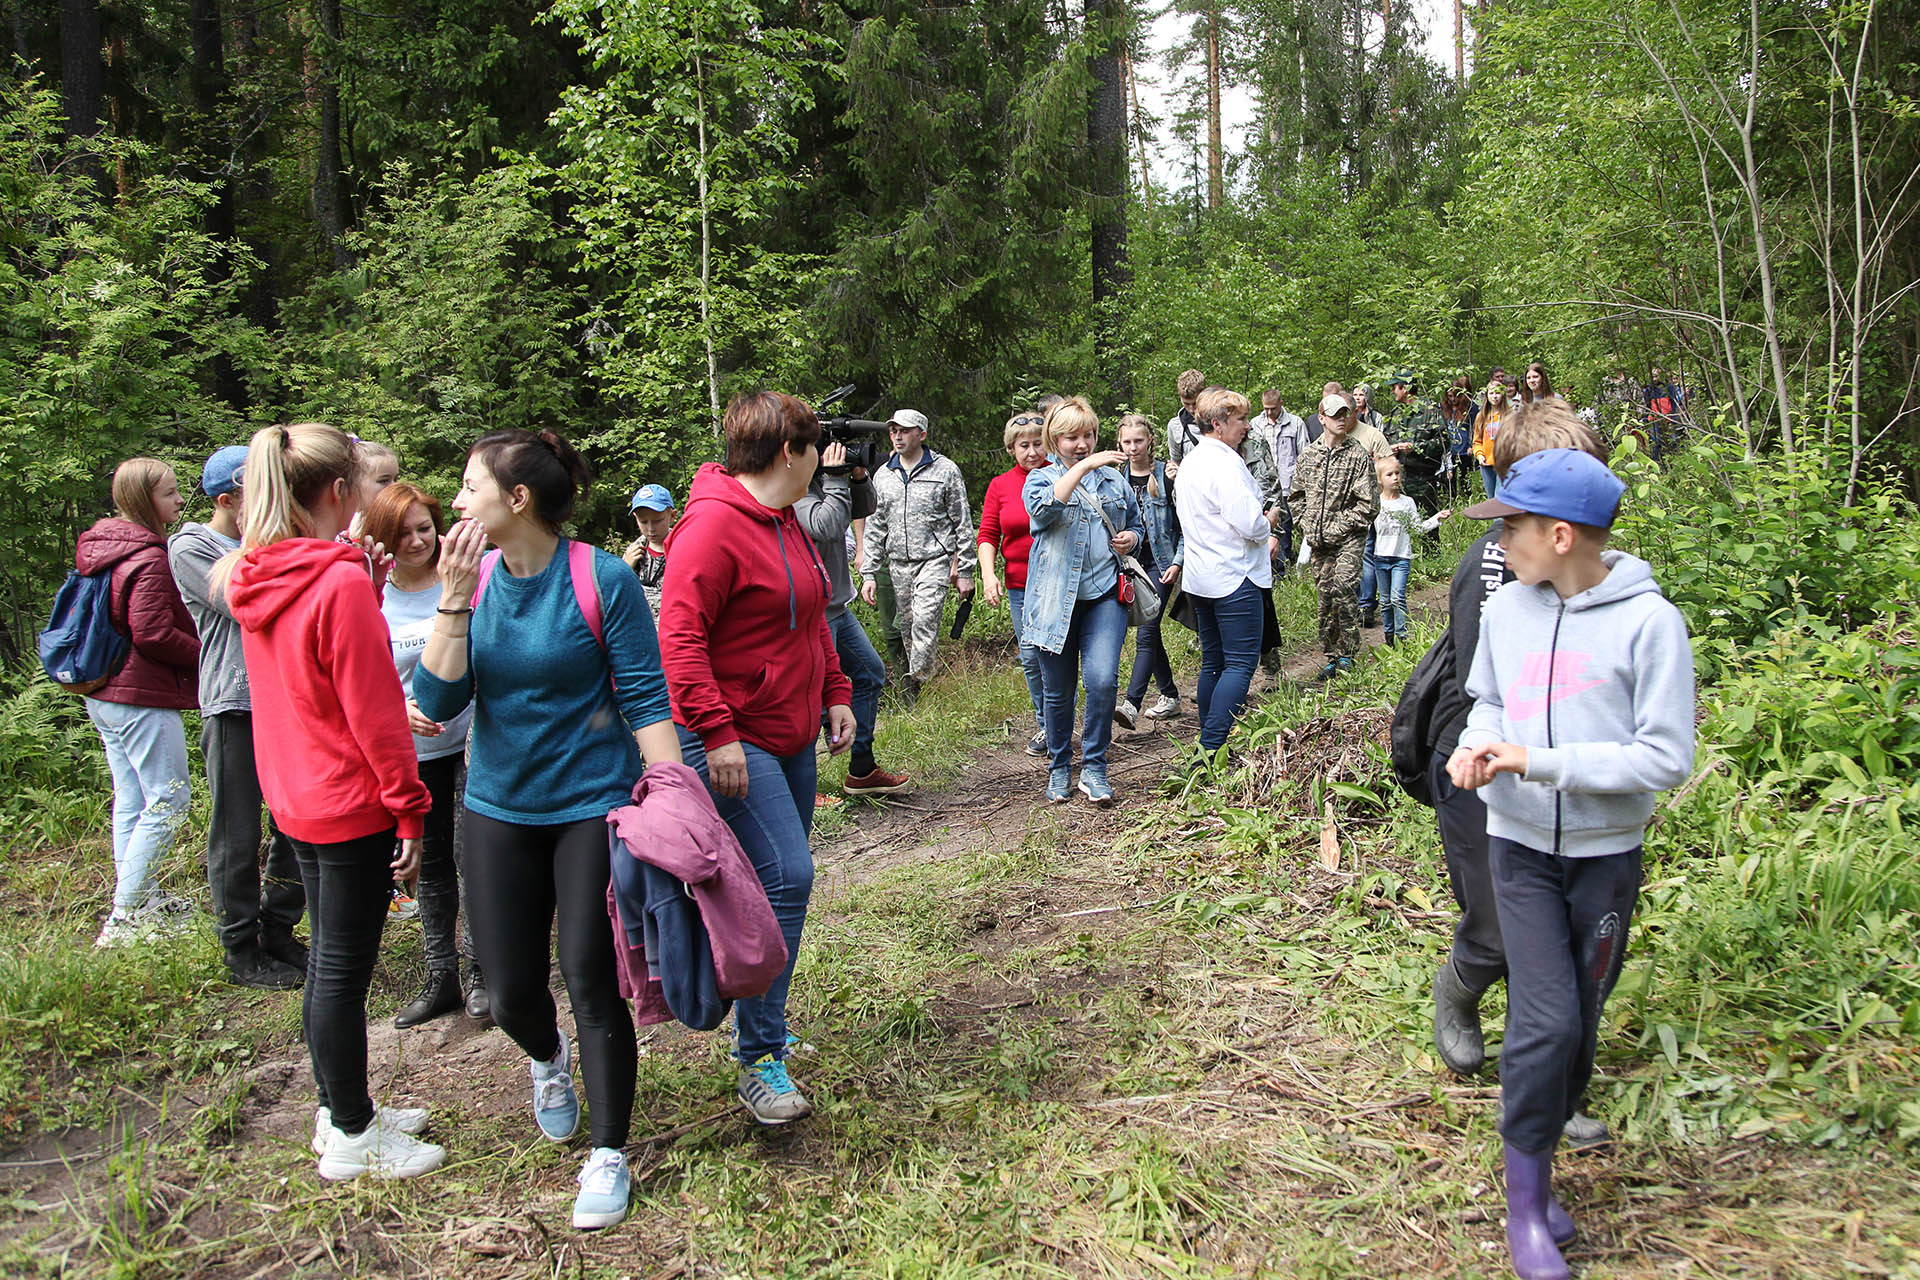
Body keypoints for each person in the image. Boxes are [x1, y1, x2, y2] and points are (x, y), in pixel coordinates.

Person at [413, 428, 679, 1226]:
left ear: (516, 499)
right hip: (497, 807)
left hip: (592, 808)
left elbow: (644, 696)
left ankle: (608, 1153)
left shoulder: (601, 579)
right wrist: (454, 600)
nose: (457, 502)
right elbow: (438, 704)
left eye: (469, 486)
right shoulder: (476, 579)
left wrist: (670, 796)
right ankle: (546, 1057)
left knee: (591, 976)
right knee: (512, 991)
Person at [1448, 445, 1694, 1280]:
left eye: (1509, 525)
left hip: (1603, 862)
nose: (1498, 541)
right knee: (1545, 1020)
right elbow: (1486, 699)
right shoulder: (1510, 608)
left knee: (1579, 1032)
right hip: (1516, 848)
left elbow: (1663, 759)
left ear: (1558, 535)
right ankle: (1524, 1213)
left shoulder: (1650, 624)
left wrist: (1535, 760)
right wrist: (1479, 747)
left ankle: (1543, 1183)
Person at [218, 422, 444, 1182]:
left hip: (295, 791)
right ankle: (352, 1133)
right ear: (342, 492)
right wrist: (409, 808)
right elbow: (374, 711)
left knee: (329, 967)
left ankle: (336, 1107)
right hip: (349, 799)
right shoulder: (335, 579)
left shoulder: (261, 571)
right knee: (344, 968)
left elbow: (307, 669)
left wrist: (366, 583)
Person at [1422, 401, 1620, 1156]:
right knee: (1503, 926)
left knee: (1570, 938)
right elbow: (1490, 688)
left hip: (1563, 769)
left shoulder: (1587, 560)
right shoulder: (1498, 562)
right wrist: (1507, 758)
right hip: (1482, 759)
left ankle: (1549, 1086)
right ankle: (1461, 985)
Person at [659, 391, 856, 1126]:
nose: (822, 460)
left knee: (777, 886)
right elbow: (677, 642)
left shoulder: (784, 521)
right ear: (788, 453)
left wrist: (835, 690)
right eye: (815, 448)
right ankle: (757, 1053)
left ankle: (760, 1021)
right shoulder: (710, 528)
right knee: (789, 877)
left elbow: (813, 616)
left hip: (789, 731)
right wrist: (715, 733)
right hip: (732, 738)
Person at [169, 446, 306, 985]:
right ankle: (240, 947)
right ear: (227, 500)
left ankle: (279, 930)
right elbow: (252, 601)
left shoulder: (268, 544)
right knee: (237, 831)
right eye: (260, 490)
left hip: (286, 701)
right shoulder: (192, 545)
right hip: (233, 704)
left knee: (295, 825)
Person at [360, 482, 482, 1028]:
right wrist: (392, 704)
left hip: (472, 741)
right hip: (408, 750)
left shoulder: (461, 580)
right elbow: (353, 668)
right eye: (402, 533)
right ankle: (441, 977)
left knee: (469, 857)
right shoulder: (371, 593)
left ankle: (482, 972)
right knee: (427, 868)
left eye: (424, 529)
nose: (415, 541)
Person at [77, 459, 201, 949]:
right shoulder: (148, 556)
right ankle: (126, 915)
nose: (177, 500)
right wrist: (205, 654)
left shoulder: (104, 547)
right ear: (144, 500)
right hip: (139, 694)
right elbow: (152, 633)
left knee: (132, 796)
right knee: (169, 798)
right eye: (169, 494)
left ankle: (137, 898)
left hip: (103, 691)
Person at [1022, 397, 1145, 806]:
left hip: (1104, 598)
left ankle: (1094, 766)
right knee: (1058, 693)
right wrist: (1083, 468)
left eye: (1088, 435)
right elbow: (1042, 513)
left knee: (1103, 680)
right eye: (1072, 437)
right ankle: (1060, 766)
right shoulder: (1039, 479)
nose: (1082, 443)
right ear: (1054, 439)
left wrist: (1131, 538)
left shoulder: (1114, 481)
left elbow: (1135, 524)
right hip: (1055, 601)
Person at [798, 442, 907, 796]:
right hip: (812, 611)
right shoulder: (794, 486)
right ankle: (803, 786)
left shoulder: (826, 482)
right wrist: (833, 478)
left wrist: (857, 477)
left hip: (838, 607)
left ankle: (861, 768)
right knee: (811, 695)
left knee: (871, 672)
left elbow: (866, 507)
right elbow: (826, 526)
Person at [1171, 389, 1271, 752]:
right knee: (1240, 664)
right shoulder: (1226, 464)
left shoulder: (1191, 463)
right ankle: (1212, 747)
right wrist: (1269, 521)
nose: (1246, 426)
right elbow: (1249, 523)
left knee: (1213, 660)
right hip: (1235, 576)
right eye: (1241, 419)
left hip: (1201, 578)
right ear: (1217, 423)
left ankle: (1207, 740)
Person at [857, 409, 974, 707]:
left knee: (924, 620)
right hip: (898, 563)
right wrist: (869, 573)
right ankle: (918, 694)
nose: (897, 436)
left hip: (934, 558)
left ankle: (917, 680)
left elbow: (962, 521)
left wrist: (965, 571)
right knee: (907, 630)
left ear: (921, 434)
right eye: (893, 430)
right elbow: (875, 525)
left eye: (905, 430)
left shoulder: (945, 470)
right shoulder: (883, 475)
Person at [977, 412, 1052, 755]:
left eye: (1038, 443)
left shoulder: (1060, 475)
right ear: (1011, 448)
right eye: (1024, 445)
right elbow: (989, 534)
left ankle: (1060, 720)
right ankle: (1046, 725)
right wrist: (988, 574)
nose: (1032, 451)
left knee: (1056, 655)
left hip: (1057, 581)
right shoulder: (1000, 485)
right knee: (1030, 656)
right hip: (1019, 584)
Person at [1289, 395, 1378, 680]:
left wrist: (1338, 525)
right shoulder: (1308, 455)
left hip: (1348, 538)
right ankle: (1331, 656)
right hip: (1318, 541)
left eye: (1345, 413)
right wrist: (1307, 523)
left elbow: (1369, 505)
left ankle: (1347, 654)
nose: (1341, 418)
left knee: (1343, 587)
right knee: (1325, 596)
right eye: (1335, 414)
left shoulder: (1358, 455)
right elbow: (1296, 497)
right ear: (1322, 418)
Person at [1115, 414, 1183, 725]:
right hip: (1129, 566)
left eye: (1138, 441)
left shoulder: (1166, 476)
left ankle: (1131, 704)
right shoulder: (1115, 478)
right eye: (1127, 442)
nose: (1132, 448)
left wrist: (1178, 561)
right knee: (1149, 635)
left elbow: (1184, 528)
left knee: (1147, 632)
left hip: (1160, 562)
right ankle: (1169, 694)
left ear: (1150, 441)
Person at [1369, 459, 1449, 646]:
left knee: (1398, 597)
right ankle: (1389, 636)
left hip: (1401, 558)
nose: (1395, 477)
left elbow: (1417, 528)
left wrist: (1437, 518)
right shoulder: (1375, 503)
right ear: (1380, 479)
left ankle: (1402, 635)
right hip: (1380, 557)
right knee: (1386, 600)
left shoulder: (1407, 502)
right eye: (1389, 474)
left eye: (1397, 473)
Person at [1248, 390, 1306, 564]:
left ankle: (1284, 566)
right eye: (1266, 408)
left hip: (1288, 485)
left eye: (1273, 408)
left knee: (1285, 529)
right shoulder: (1256, 423)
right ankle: (1269, 565)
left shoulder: (1295, 423)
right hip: (1263, 487)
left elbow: (1303, 454)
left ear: (1281, 403)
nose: (1269, 412)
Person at [1383, 374, 1450, 511]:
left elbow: (1444, 442)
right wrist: (1391, 450)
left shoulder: (1430, 411)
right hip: (1399, 481)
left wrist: (1416, 448)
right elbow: (1385, 440)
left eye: (1394, 387)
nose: (1392, 392)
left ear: (1405, 388)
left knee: (1428, 525)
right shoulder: (1395, 414)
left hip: (1424, 481)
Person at [621, 483, 676, 618]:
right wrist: (625, 568)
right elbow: (616, 595)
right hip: (640, 631)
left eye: (657, 521)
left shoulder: (684, 549)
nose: (651, 528)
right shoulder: (632, 553)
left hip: (672, 629)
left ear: (672, 516)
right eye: (644, 522)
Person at [1471, 371, 1515, 498]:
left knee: (1501, 497)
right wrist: (1479, 455)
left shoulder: (1509, 415)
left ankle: (1503, 519)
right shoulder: (1481, 416)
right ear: (1487, 396)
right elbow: (1477, 441)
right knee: (1491, 499)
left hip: (1504, 463)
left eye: (1497, 393)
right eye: (1491, 393)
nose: (1494, 396)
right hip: (1487, 463)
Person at [1163, 369, 1207, 473]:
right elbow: (1176, 461)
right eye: (1186, 404)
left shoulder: (1220, 420)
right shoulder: (1175, 426)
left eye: (1195, 403)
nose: (1191, 409)